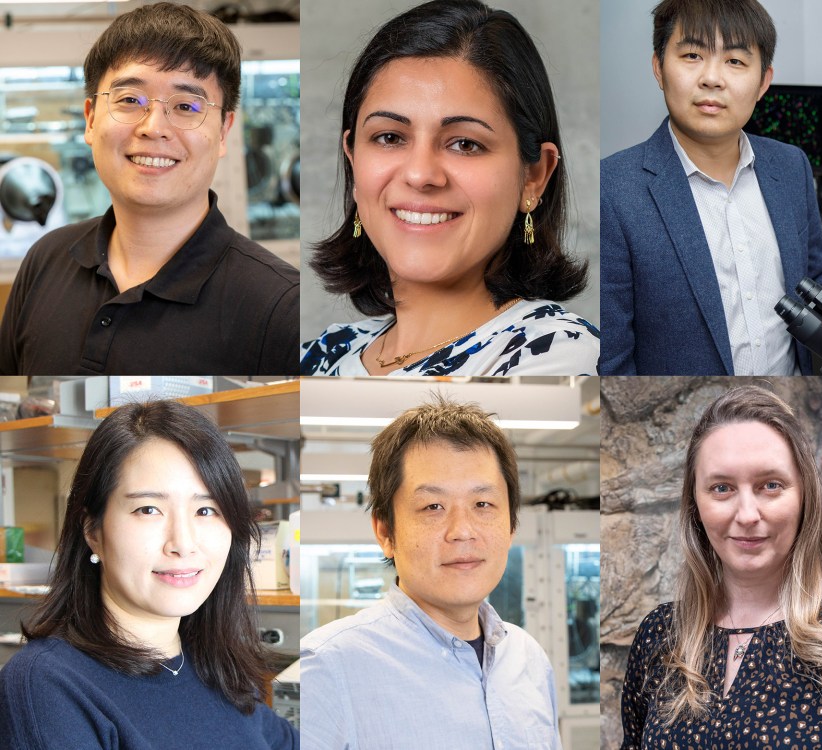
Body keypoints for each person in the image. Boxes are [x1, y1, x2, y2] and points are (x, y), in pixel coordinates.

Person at [599, 0, 822, 376]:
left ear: (763, 82)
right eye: (692, 55)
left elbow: (818, 277)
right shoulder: (614, 189)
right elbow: (614, 362)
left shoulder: (790, 166)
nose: (712, 78)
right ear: (659, 68)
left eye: (735, 61)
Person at [301, 0, 599, 377]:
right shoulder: (321, 354)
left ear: (534, 176)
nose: (421, 174)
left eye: (465, 144)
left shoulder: (558, 356)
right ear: (352, 162)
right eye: (390, 137)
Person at [0, 3, 300, 375]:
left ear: (224, 132)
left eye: (187, 105)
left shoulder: (283, 308)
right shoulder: (45, 261)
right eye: (129, 100)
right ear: (91, 118)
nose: (154, 126)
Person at [0, 400, 297, 750]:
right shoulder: (46, 687)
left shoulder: (214, 668)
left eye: (206, 509)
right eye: (148, 509)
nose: (183, 544)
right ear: (93, 531)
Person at [621, 385, 822, 748]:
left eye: (770, 485)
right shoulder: (660, 635)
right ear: (695, 504)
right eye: (721, 488)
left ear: (804, 496)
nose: (748, 515)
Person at [300, 397, 560, 749]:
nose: (462, 530)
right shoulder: (328, 668)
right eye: (433, 506)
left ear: (511, 525)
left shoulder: (529, 659)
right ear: (385, 533)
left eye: (483, 504)